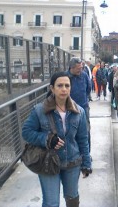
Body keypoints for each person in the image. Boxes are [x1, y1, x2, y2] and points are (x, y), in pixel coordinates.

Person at [22, 71, 92, 207]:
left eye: (67, 85)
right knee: (51, 202)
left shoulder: (79, 112)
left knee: (72, 198)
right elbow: (26, 132)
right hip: (48, 163)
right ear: (52, 88)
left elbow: (83, 139)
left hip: (72, 162)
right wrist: (46, 139)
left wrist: (86, 164)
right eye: (60, 85)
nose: (64, 89)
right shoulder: (39, 110)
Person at [67, 57, 92, 151]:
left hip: (84, 107)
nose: (80, 70)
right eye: (78, 69)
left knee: (86, 131)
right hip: (70, 109)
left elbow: (88, 88)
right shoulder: (65, 77)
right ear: (71, 68)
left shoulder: (84, 75)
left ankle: (86, 153)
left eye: (81, 68)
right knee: (71, 131)